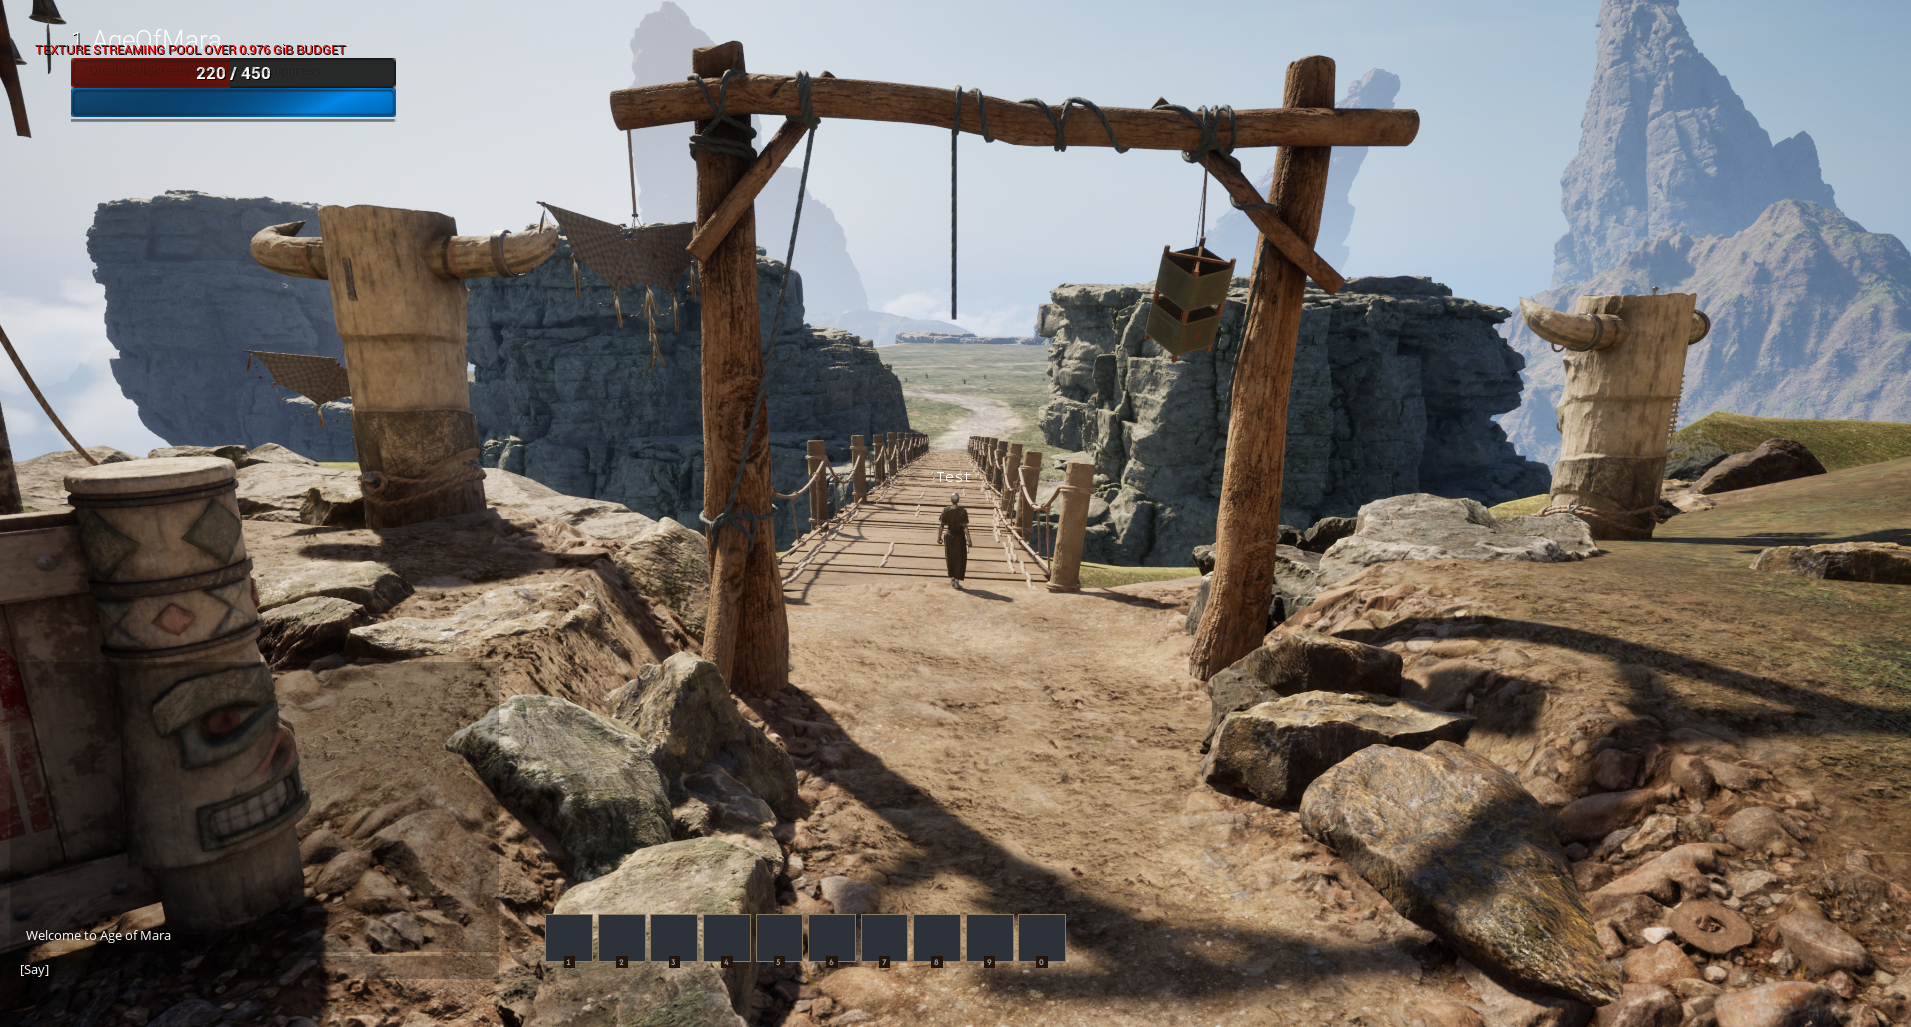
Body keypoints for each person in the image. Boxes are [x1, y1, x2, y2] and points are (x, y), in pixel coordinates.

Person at [936, 492, 971, 589]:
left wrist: (939, 537)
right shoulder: (963, 511)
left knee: (950, 557)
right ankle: (957, 580)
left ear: (951, 500)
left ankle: (952, 578)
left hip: (949, 536)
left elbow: (941, 525)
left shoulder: (946, 510)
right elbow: (965, 527)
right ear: (958, 500)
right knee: (960, 559)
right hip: (959, 537)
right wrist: (969, 539)